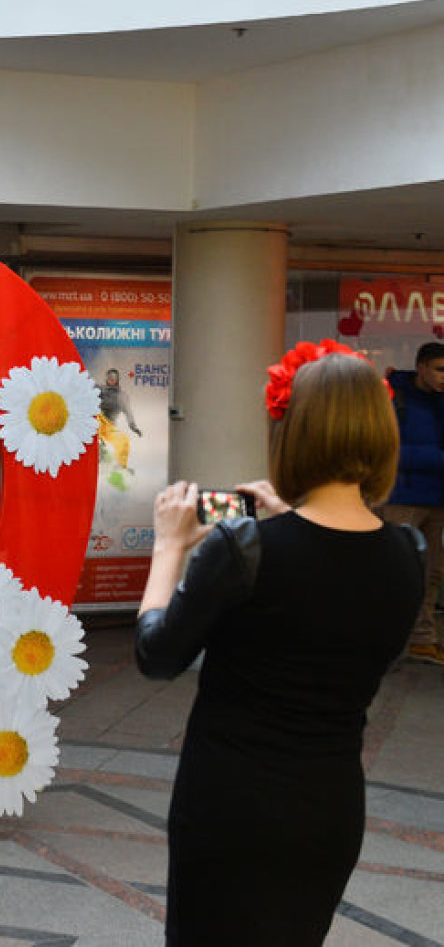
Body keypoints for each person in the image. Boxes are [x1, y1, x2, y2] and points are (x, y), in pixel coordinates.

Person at [134, 349, 424, 946]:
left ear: (291, 434)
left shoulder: (244, 548)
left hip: (229, 807)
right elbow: (341, 607)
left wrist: (169, 547)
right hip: (330, 809)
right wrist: (290, 518)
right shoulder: (410, 553)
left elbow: (157, 655)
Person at [381, 340, 444, 666]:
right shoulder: (395, 397)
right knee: (397, 571)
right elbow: (389, 448)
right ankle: (386, 640)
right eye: (439, 369)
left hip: (436, 499)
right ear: (421, 367)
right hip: (401, 498)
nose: (443, 377)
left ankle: (423, 639)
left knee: (432, 573)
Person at [97, 367, 141, 471]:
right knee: (96, 437)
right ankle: (100, 453)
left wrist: (133, 426)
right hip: (97, 422)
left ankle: (121, 467)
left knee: (123, 441)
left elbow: (128, 412)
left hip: (109, 426)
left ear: (117, 379)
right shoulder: (99, 390)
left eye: (114, 378)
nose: (111, 380)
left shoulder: (122, 396)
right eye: (109, 377)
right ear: (106, 378)